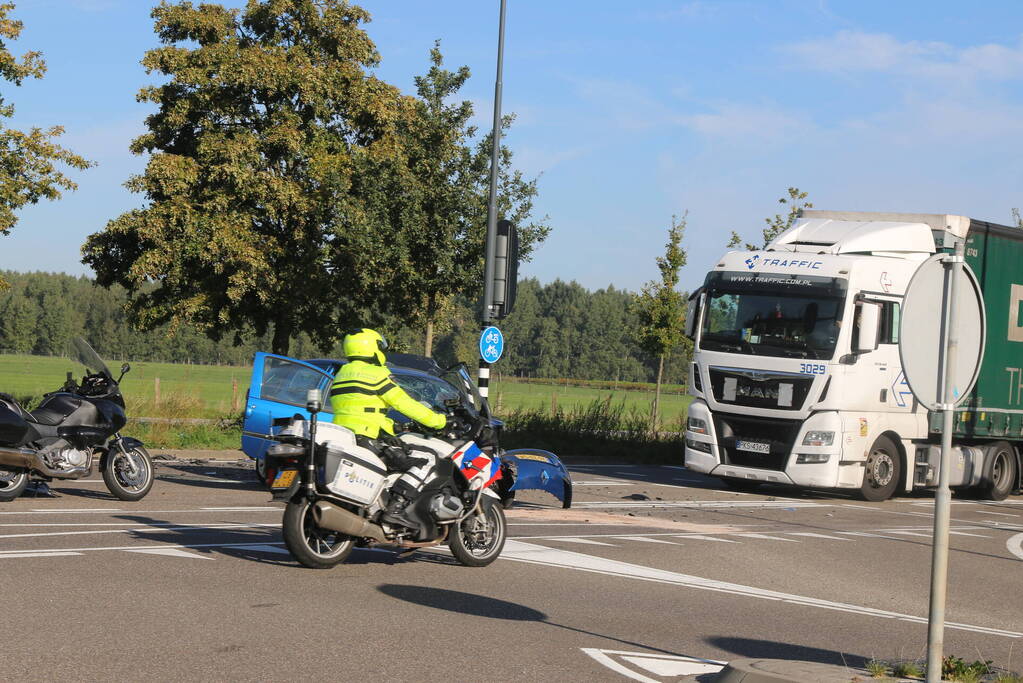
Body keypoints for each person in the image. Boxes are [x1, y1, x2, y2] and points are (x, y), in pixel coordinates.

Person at [330, 328, 447, 526]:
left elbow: (360, 407)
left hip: (345, 435)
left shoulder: (341, 373)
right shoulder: (376, 373)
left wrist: (393, 425)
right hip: (370, 436)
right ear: (372, 347)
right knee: (427, 461)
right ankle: (396, 508)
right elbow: (404, 403)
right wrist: (438, 421)